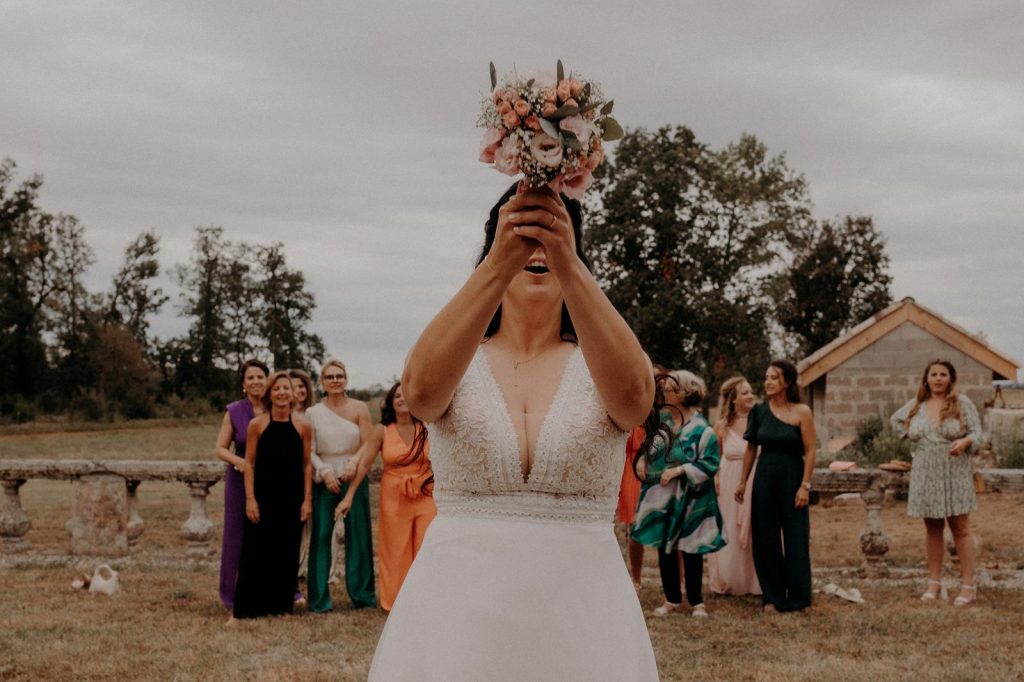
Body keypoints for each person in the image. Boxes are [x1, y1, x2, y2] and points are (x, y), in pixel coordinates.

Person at [369, 182, 658, 680]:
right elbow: (419, 395)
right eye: (524, 227)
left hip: (584, 617)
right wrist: (500, 260)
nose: (537, 245)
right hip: (456, 616)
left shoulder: (600, 362)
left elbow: (635, 403)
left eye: (552, 228)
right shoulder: (459, 359)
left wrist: (569, 262)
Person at [632, 370, 724, 618]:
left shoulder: (702, 430)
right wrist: (642, 459)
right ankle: (671, 599)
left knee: (692, 548)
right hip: (663, 498)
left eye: (672, 387)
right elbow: (648, 449)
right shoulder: (663, 423)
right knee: (665, 548)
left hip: (692, 499)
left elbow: (711, 463)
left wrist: (679, 471)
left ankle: (697, 602)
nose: (665, 390)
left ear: (684, 393)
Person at [891, 359, 982, 606]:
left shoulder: (962, 404)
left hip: (954, 470)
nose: (939, 378)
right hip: (925, 470)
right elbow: (896, 420)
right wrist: (912, 439)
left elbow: (977, 433)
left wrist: (965, 442)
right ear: (927, 378)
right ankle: (935, 582)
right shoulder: (917, 405)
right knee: (932, 527)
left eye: (943, 374)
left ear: (951, 379)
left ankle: (968, 585)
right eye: (934, 374)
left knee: (960, 527)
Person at [344, 381, 436, 611]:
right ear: (390, 402)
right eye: (397, 396)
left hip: (425, 492)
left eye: (406, 395)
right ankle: (395, 603)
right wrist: (349, 496)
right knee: (396, 549)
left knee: (427, 545)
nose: (402, 399)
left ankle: (427, 600)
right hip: (394, 495)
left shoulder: (427, 427)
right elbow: (365, 464)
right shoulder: (382, 430)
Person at [735, 359, 816, 613]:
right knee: (765, 538)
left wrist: (805, 485)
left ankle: (799, 598)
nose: (768, 382)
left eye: (774, 377)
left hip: (793, 478)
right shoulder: (758, 412)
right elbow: (750, 447)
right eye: (766, 377)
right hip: (765, 479)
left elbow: (811, 449)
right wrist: (742, 481)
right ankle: (773, 597)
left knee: (796, 537)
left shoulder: (802, 411)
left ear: (787, 382)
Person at [231, 371, 313, 620]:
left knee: (286, 550)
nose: (281, 393)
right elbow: (250, 463)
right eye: (276, 389)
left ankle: (281, 606)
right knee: (254, 550)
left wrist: (307, 499)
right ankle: (243, 610)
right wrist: (250, 498)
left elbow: (307, 464)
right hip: (263, 496)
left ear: (293, 393)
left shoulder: (303, 425)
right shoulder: (257, 424)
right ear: (269, 393)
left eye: (286, 388)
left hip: (291, 497)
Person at [303, 359, 377, 611]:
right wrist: (323, 471)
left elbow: (369, 442)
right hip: (324, 476)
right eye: (330, 377)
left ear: (346, 379)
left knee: (358, 533)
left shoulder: (360, 408)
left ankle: (362, 595)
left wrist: (354, 461)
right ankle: (319, 599)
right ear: (321, 383)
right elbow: (308, 450)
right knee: (322, 535)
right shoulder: (313, 413)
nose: (335, 380)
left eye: (339, 376)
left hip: (353, 473)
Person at [214, 358, 268, 608]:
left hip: (271, 478)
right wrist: (242, 462)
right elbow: (220, 448)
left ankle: (269, 587)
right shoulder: (234, 411)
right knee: (236, 533)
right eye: (251, 378)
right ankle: (231, 592)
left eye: (260, 377)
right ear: (244, 384)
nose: (256, 382)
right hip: (239, 478)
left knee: (269, 533)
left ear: (267, 380)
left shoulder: (277, 407)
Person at [708, 376, 761, 595]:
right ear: (733, 399)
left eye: (751, 392)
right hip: (729, 484)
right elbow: (714, 458)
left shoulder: (760, 420)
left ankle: (755, 582)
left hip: (756, 478)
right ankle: (731, 579)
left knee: (755, 530)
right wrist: (716, 478)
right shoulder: (721, 427)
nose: (750, 396)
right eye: (745, 392)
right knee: (729, 527)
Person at [289, 368, 316, 597]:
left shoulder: (314, 415)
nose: (298, 391)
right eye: (293, 386)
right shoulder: (280, 414)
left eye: (301, 386)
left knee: (313, 530)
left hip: (313, 477)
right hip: (289, 479)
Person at [616, 424, 646, 588]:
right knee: (616, 527)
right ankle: (616, 573)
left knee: (634, 525)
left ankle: (636, 579)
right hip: (615, 465)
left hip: (635, 470)